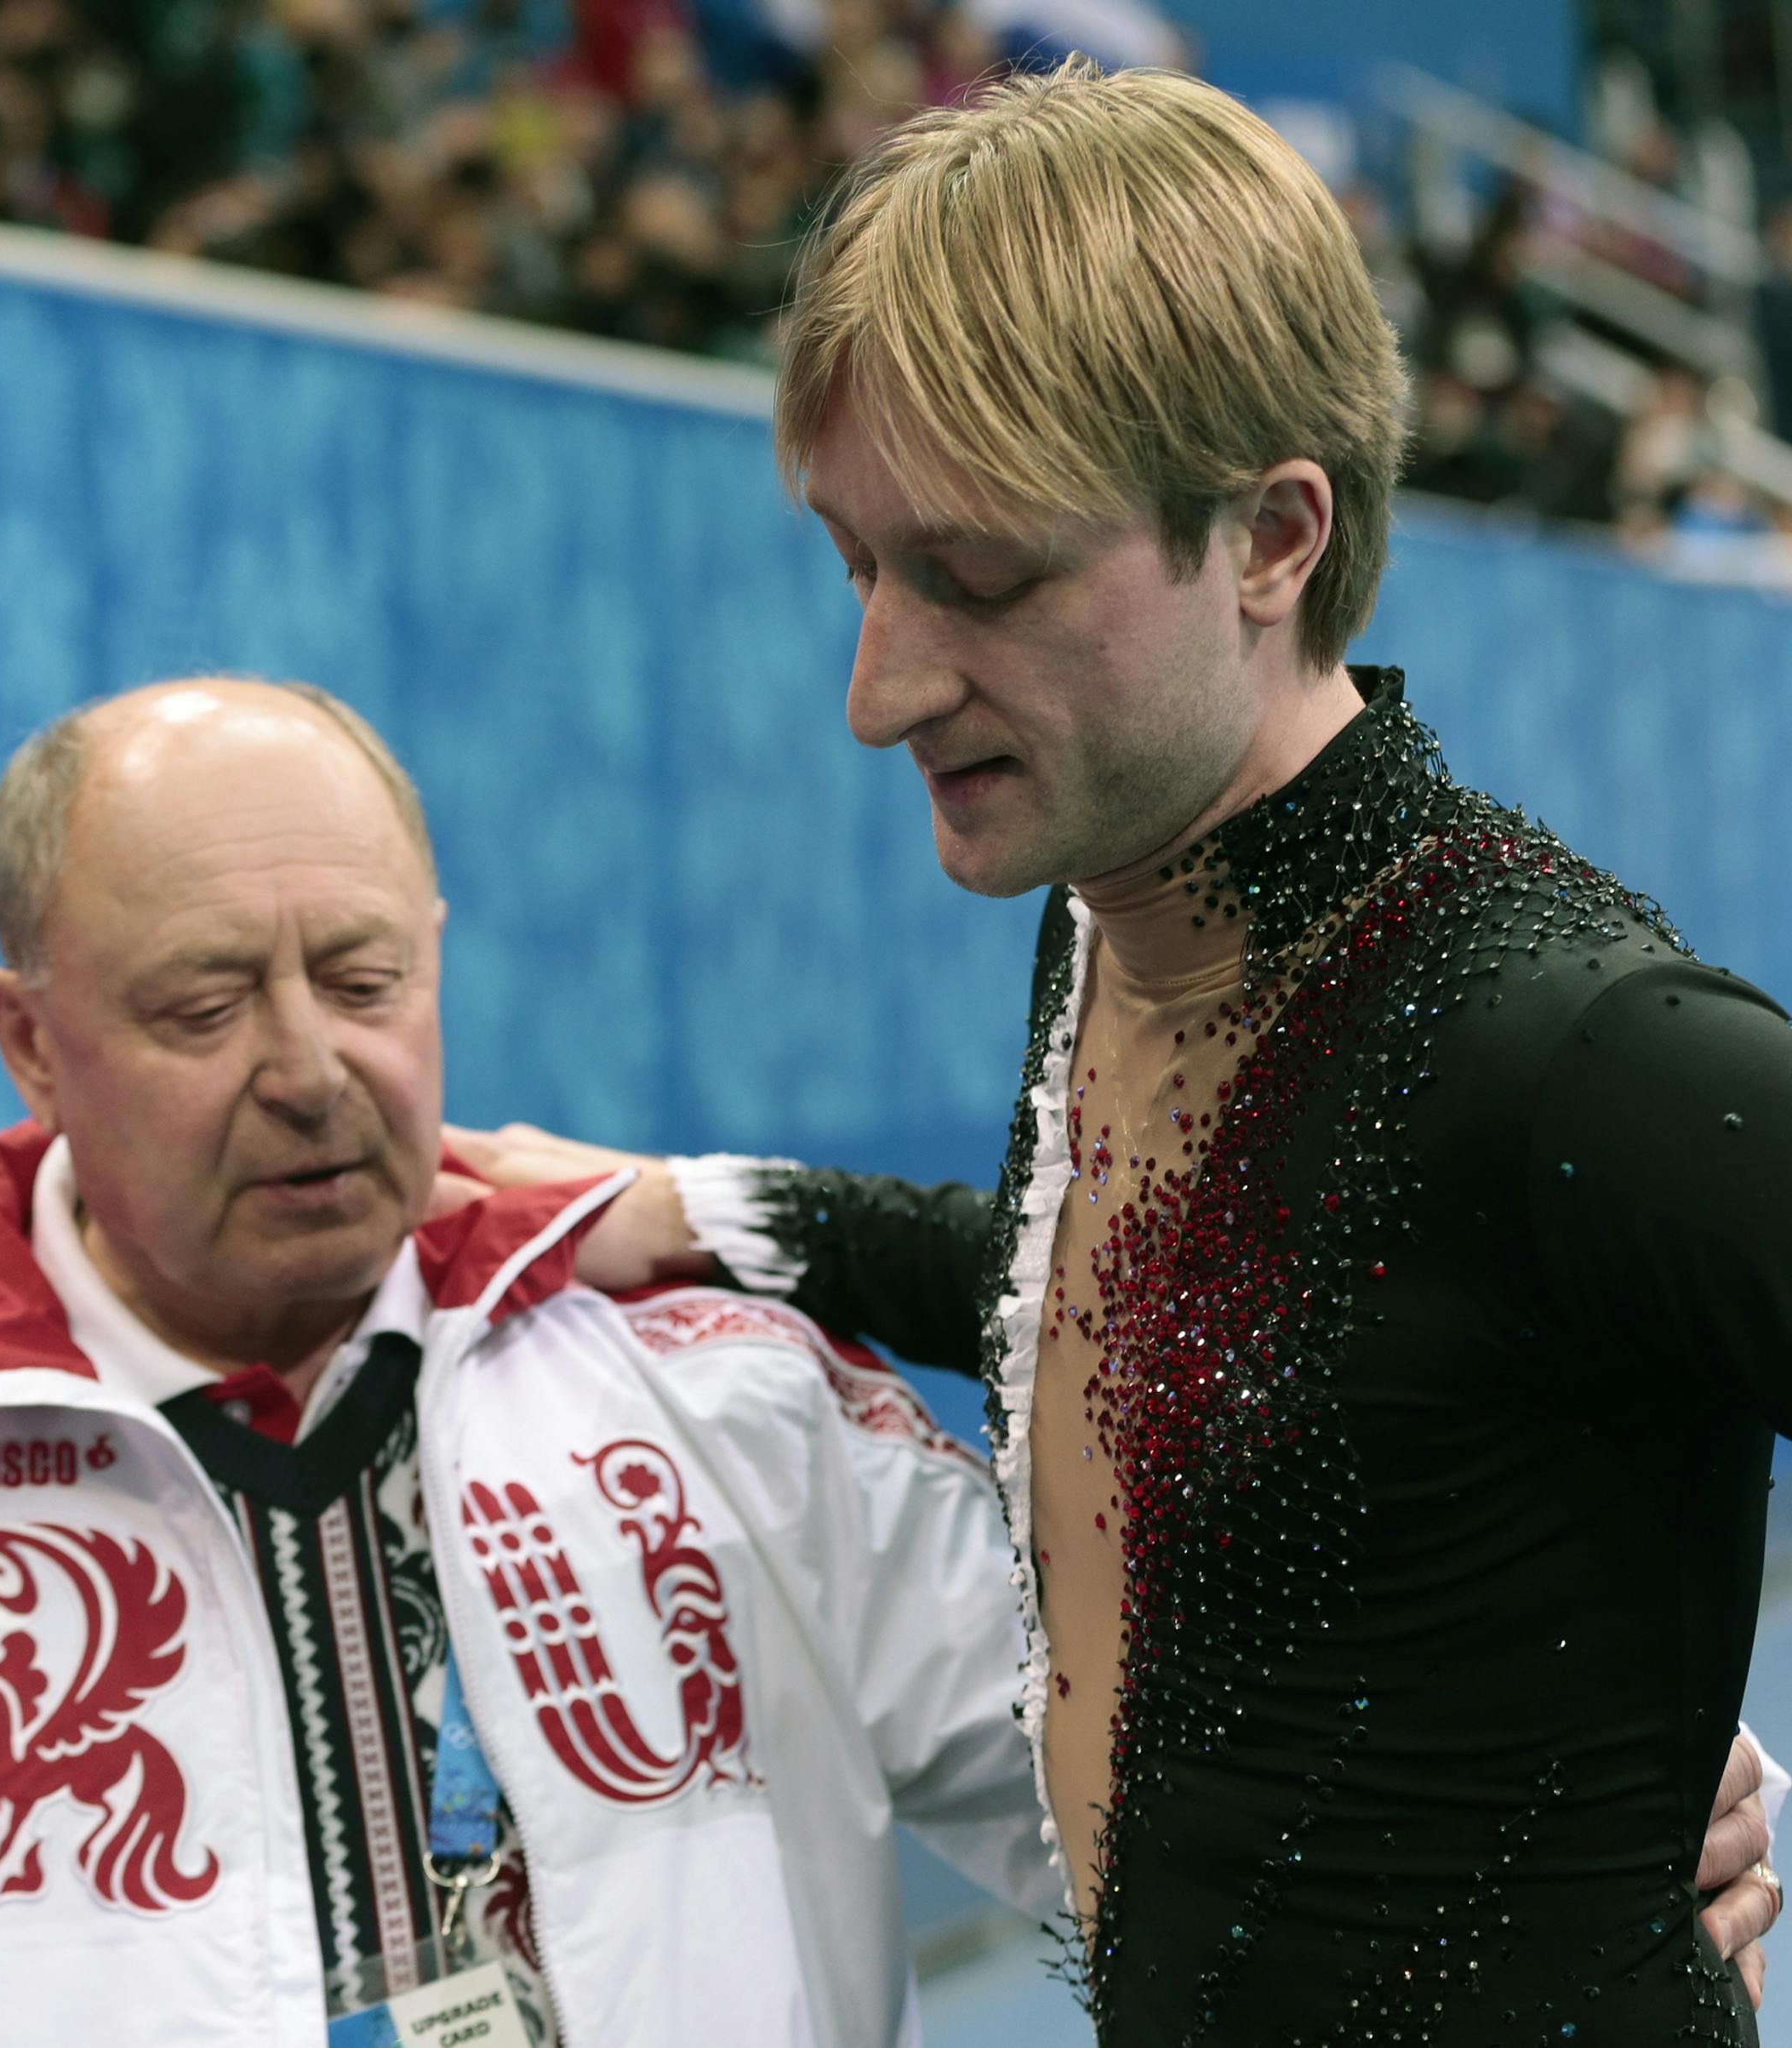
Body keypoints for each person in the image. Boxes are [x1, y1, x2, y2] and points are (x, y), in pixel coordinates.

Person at [450, 57, 1792, 2045]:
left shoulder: (1571, 1045)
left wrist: (1647, 1735)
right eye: (860, 562)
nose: (878, 685)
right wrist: (697, 1209)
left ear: (1270, 537)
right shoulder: (1118, 917)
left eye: (980, 575)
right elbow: (1090, 1290)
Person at [0, 677, 1057, 2048]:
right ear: (27, 1042)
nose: (310, 1071)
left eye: (366, 982)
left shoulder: (714, 1388)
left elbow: (1187, 1816)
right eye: (202, 1007)